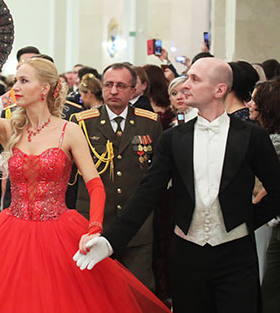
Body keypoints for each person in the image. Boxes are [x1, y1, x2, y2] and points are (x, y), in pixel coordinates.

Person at [0, 24, 170, 313]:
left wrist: (94, 227)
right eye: (15, 81)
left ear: (45, 88)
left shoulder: (69, 131)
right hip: (12, 231)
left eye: (23, 81)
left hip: (58, 232)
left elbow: (95, 184)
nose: (16, 87)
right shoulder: (10, 128)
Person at [74, 58, 280, 313]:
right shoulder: (174, 138)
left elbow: (277, 191)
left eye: (195, 79)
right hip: (187, 254)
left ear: (219, 89)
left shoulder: (251, 136)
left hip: (236, 257)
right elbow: (146, 194)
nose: (185, 85)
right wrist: (109, 241)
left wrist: (244, 220)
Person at [73, 63, 162, 291]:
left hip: (137, 227)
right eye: (109, 85)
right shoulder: (82, 122)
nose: (113, 91)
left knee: (138, 291)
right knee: (95, 291)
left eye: (121, 86)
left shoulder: (149, 122)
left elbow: (156, 173)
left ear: (133, 91)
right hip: (94, 223)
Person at [247, 79, 280, 312]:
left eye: (255, 100)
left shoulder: (272, 141)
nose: (249, 104)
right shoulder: (263, 135)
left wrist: (256, 206)